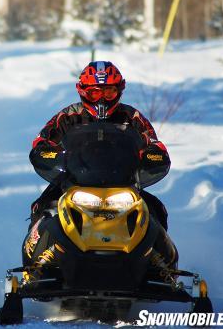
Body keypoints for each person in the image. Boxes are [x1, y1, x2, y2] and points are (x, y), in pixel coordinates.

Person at [29, 61, 170, 231]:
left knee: (156, 210)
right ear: (83, 92)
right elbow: (41, 142)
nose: (102, 99)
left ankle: (159, 256)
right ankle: (37, 255)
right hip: (73, 181)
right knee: (41, 208)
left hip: (123, 184)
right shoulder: (68, 116)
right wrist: (52, 155)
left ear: (119, 90)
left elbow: (154, 144)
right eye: (94, 93)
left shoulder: (131, 116)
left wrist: (151, 156)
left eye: (109, 92)